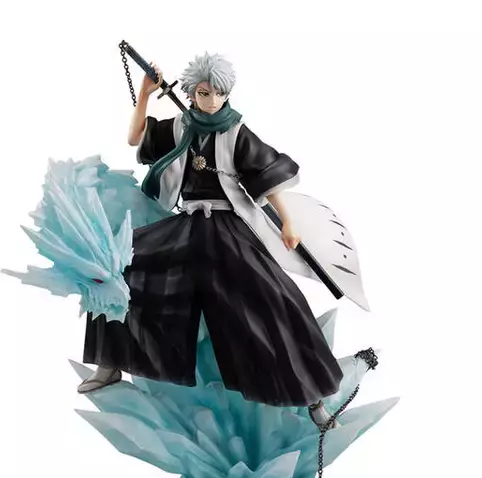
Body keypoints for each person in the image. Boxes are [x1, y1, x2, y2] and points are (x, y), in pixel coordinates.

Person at [78, 52, 343, 429]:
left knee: (275, 299)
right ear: (191, 94)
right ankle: (110, 361)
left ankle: (312, 399)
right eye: (204, 94)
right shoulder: (179, 126)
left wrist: (287, 222)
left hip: (227, 231)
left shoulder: (236, 132)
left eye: (219, 93)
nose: (213, 101)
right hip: (187, 227)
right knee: (119, 265)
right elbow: (135, 138)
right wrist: (145, 94)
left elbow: (266, 177)